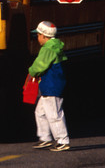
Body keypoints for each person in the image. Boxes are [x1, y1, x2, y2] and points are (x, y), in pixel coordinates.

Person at [28, 21, 70, 152]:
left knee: (54, 114)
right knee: (40, 112)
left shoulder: (47, 49)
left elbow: (39, 66)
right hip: (50, 85)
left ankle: (62, 140)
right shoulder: (55, 46)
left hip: (51, 87)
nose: (37, 38)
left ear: (44, 36)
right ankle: (45, 138)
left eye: (38, 35)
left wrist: (31, 72)